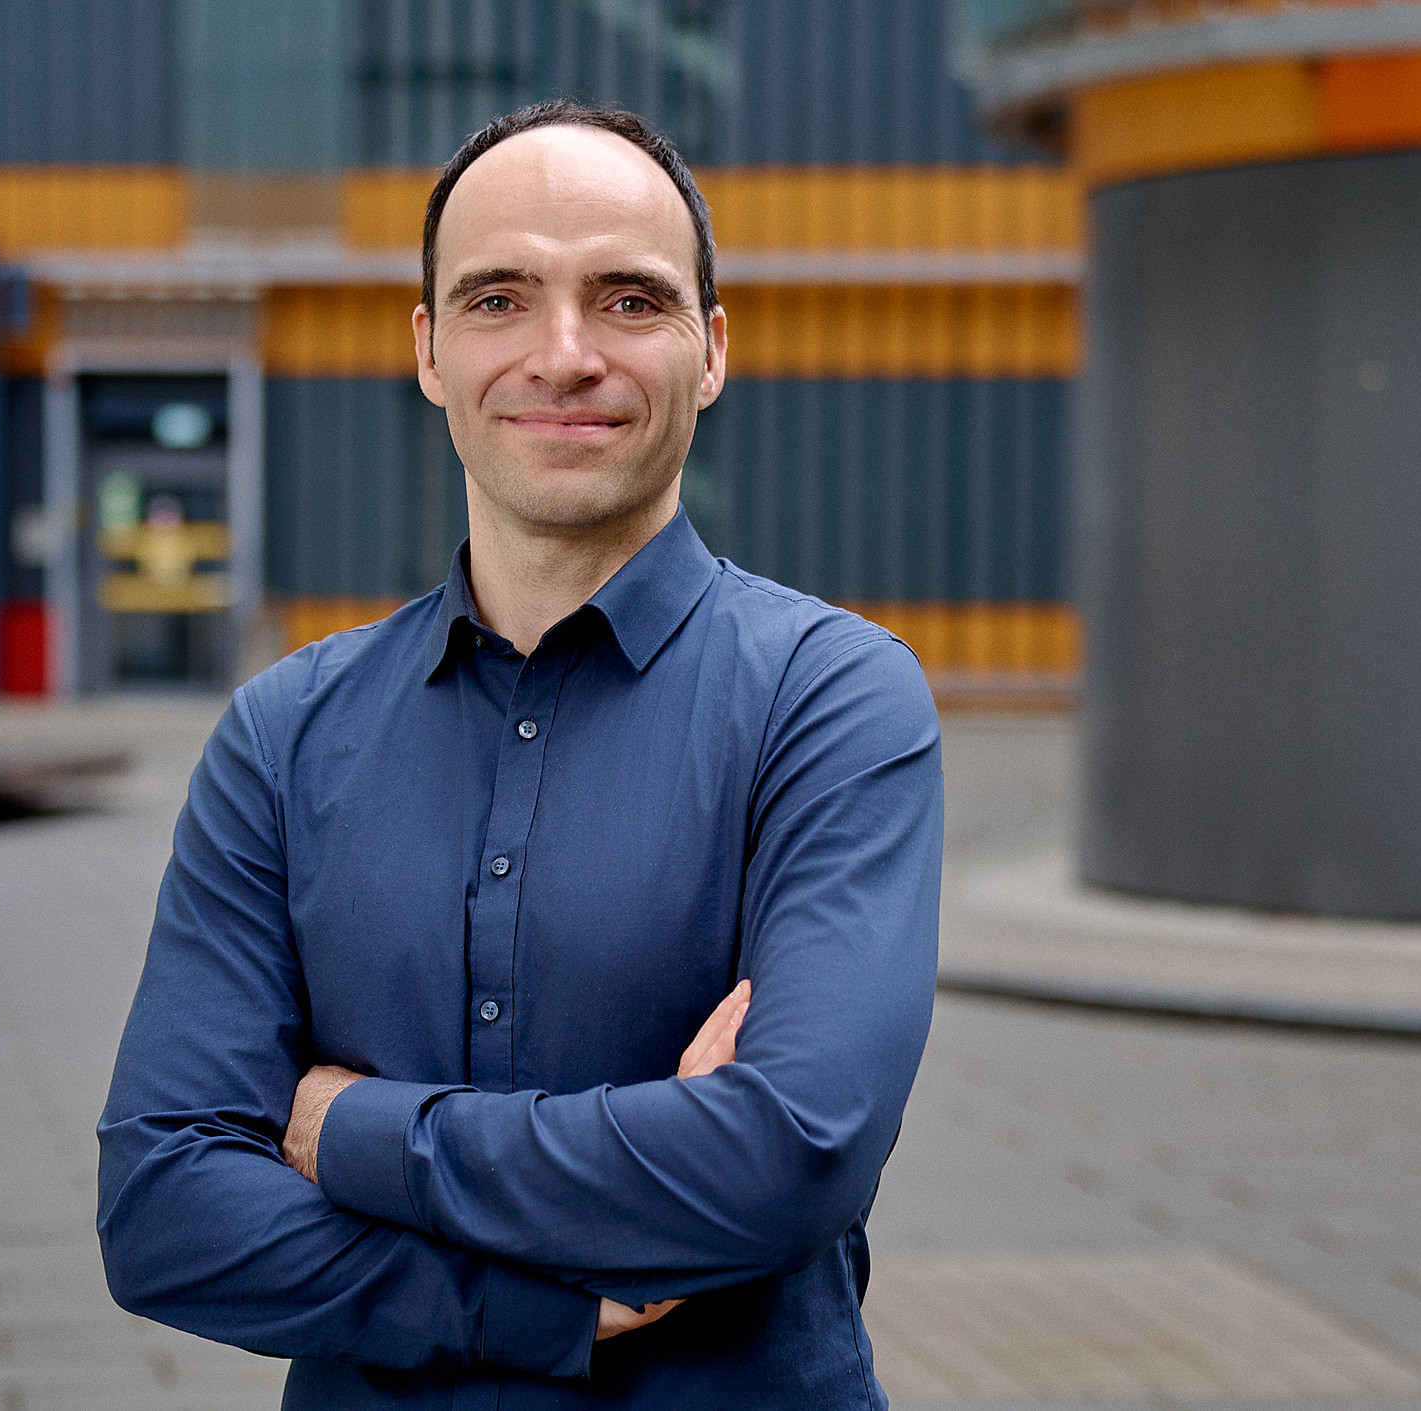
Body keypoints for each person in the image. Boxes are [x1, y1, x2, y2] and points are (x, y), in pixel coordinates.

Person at [98, 99, 943, 1409]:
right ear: (428, 351)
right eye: (498, 300)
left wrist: (342, 1129)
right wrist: (524, 1306)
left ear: (710, 352)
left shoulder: (829, 700)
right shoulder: (284, 733)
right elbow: (163, 1212)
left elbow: (792, 1153)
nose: (563, 355)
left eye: (627, 300)